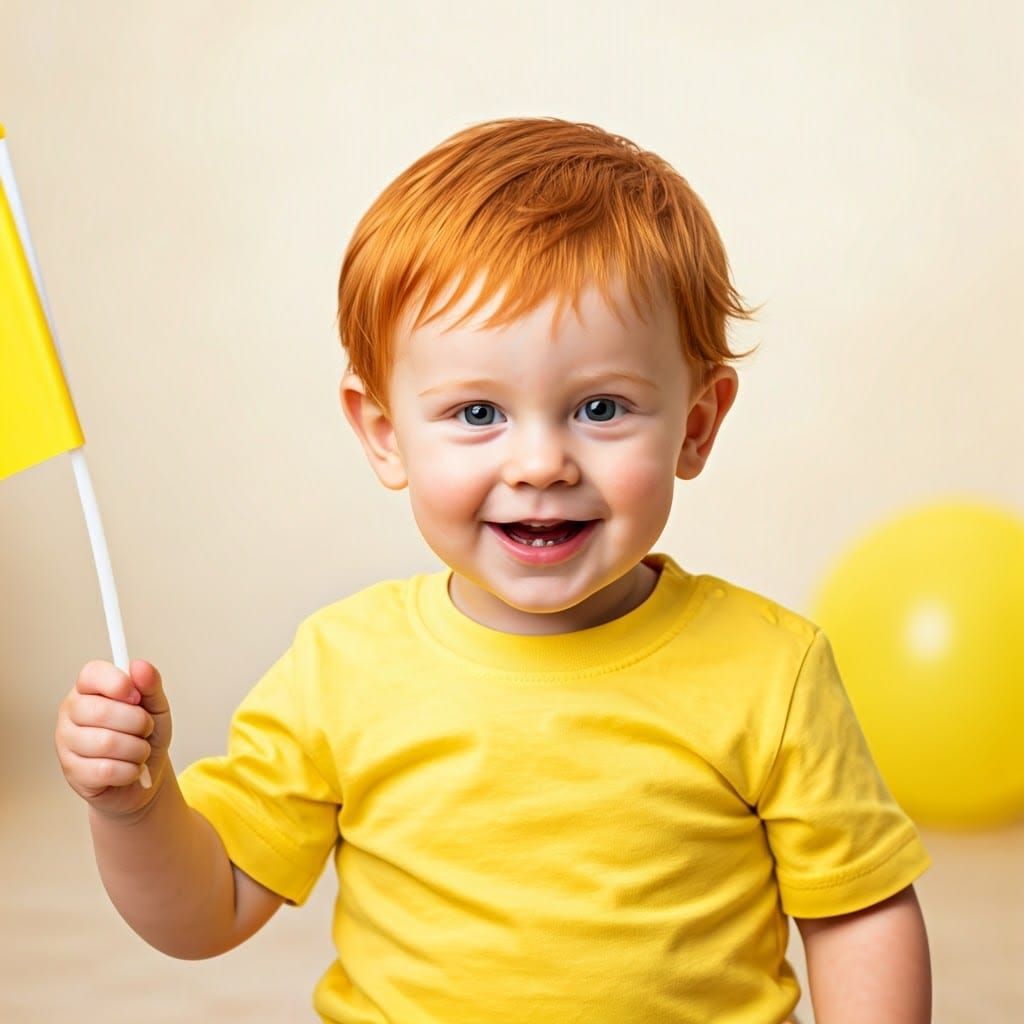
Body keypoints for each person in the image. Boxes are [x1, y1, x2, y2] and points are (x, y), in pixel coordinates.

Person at [54, 116, 932, 1023]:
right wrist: (133, 811)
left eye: (600, 407)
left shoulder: (769, 670)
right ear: (385, 433)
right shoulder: (344, 667)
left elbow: (856, 911)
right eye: (478, 412)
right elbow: (210, 909)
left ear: (697, 425)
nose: (541, 463)